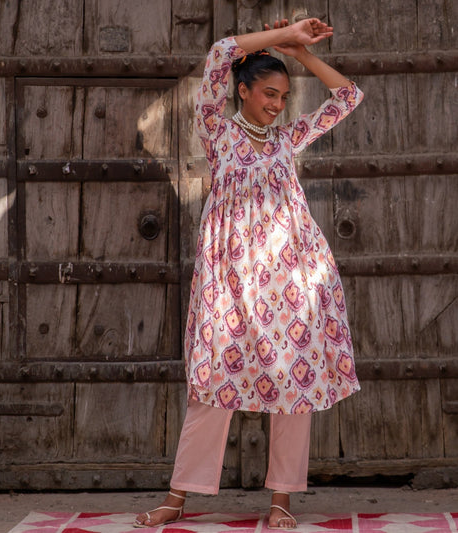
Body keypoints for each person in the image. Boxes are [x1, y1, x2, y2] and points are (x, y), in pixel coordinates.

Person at [134, 17, 363, 530]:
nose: (277, 104)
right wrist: (279, 39)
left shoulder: (287, 138)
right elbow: (220, 51)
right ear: (243, 90)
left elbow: (348, 97)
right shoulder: (217, 129)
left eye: (283, 96)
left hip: (294, 279)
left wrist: (301, 55)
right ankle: (178, 497)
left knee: (294, 386)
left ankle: (282, 499)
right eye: (268, 94)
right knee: (213, 383)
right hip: (231, 277)